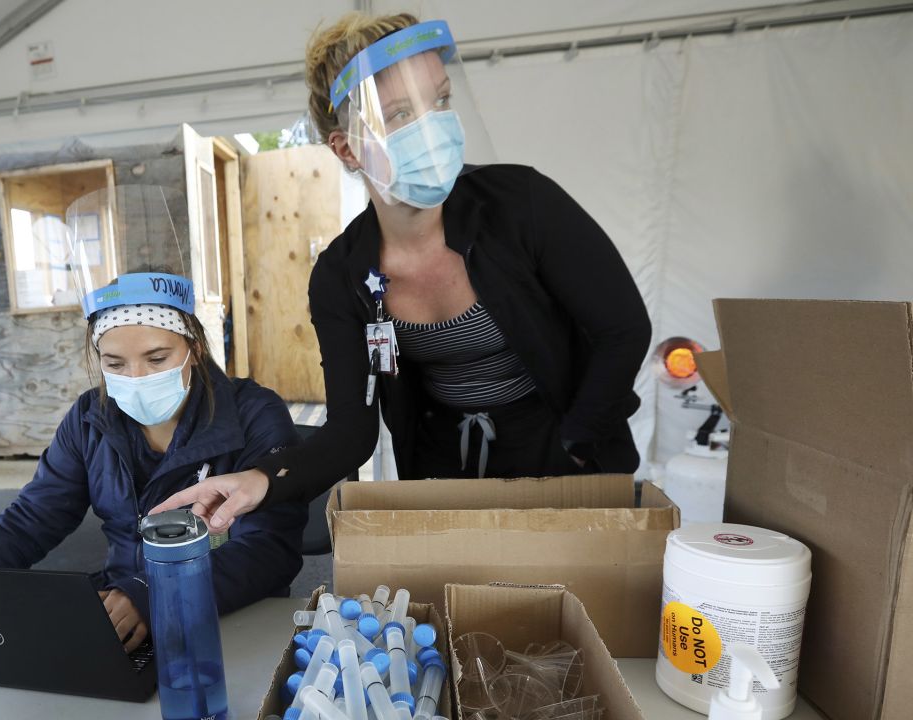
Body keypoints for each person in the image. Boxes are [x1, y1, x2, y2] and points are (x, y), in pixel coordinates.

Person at [154, 12, 651, 533]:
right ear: (346, 148)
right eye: (397, 114)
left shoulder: (521, 205)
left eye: (438, 100)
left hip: (562, 456)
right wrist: (262, 479)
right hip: (443, 474)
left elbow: (622, 329)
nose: (432, 127)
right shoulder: (342, 276)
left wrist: (578, 443)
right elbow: (352, 431)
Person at [0, 297, 307, 653]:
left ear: (196, 349)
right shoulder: (91, 418)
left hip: (233, 614)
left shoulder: (253, 414)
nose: (136, 377)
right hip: (119, 616)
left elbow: (267, 552)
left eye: (157, 358)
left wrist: (149, 595)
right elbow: (28, 523)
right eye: (115, 363)